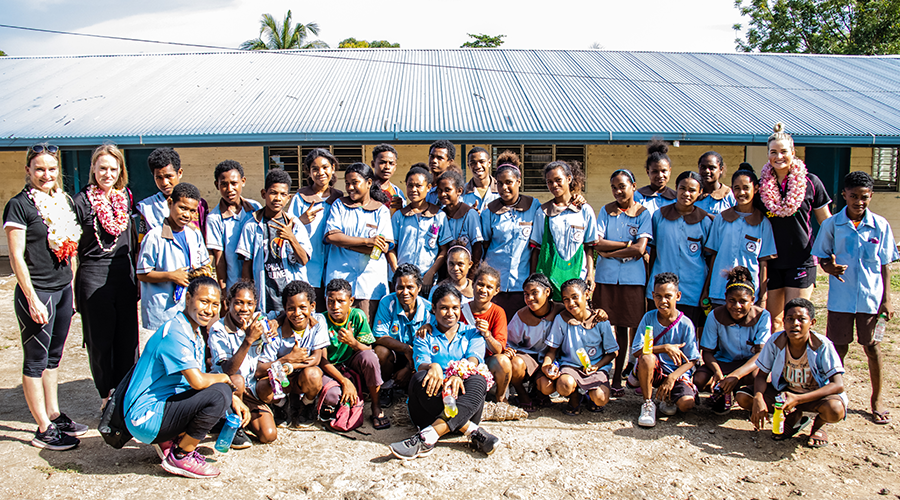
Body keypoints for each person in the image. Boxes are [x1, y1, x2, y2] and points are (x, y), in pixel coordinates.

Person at [123, 276, 251, 479]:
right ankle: (181, 454)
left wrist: (233, 397)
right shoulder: (177, 332)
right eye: (204, 301)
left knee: (223, 394)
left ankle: (170, 439)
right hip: (144, 417)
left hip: (157, 408)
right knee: (219, 395)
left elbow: (198, 379)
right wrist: (226, 382)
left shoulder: (193, 332)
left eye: (215, 304)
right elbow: (198, 382)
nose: (209, 310)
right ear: (188, 298)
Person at [4, 143, 87, 450]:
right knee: (36, 360)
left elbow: (70, 249)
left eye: (52, 169)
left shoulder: (62, 200)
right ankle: (42, 428)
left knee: (54, 357)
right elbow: (16, 257)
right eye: (39, 169)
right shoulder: (19, 206)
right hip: (38, 291)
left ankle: (53, 413)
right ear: (28, 170)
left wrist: (74, 289)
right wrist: (31, 298)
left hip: (63, 289)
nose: (46, 174)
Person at [813, 171, 898, 425]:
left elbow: (884, 265)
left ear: (870, 196)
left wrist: (887, 299)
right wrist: (830, 268)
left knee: (872, 347)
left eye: (863, 197)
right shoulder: (832, 225)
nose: (858, 202)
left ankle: (877, 399)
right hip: (841, 299)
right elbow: (822, 257)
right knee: (838, 349)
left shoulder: (880, 225)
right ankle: (830, 395)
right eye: (853, 197)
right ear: (844, 196)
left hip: (871, 300)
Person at [389, 284, 500, 460]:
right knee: (419, 378)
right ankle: (470, 430)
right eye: (444, 308)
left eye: (455, 308)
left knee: (478, 379)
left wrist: (457, 375)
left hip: (464, 401)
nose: (450, 313)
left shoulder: (472, 333)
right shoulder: (424, 334)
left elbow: (473, 360)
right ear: (433, 308)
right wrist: (432, 367)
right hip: (428, 409)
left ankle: (428, 437)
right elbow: (421, 363)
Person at [73, 144, 139, 408]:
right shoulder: (79, 202)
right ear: (93, 169)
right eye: (102, 168)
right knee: (100, 341)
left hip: (123, 276)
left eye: (113, 168)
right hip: (93, 276)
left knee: (127, 339)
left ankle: (125, 394)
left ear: (120, 170)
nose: (107, 174)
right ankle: (105, 396)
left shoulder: (125, 199)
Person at [742, 298, 846, 448]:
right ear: (784, 322)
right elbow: (761, 375)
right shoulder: (775, 341)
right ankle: (794, 417)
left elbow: (838, 385)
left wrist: (798, 399)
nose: (795, 324)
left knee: (835, 410)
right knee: (744, 397)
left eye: (801, 319)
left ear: (812, 323)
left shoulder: (822, 345)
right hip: (785, 394)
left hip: (813, 395)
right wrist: (758, 398)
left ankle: (818, 425)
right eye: (790, 319)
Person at [761, 123, 832, 333]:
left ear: (793, 152)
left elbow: (826, 222)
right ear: (768, 155)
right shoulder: (761, 186)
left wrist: (832, 252)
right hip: (772, 262)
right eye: (773, 152)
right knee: (774, 323)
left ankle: (799, 365)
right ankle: (777, 365)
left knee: (797, 321)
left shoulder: (811, 182)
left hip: (801, 260)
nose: (779, 156)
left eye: (784, 151)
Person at [593, 169, 652, 397]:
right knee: (606, 326)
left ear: (634, 186)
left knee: (628, 328)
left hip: (632, 280)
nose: (618, 191)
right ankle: (602, 374)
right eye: (614, 187)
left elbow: (640, 249)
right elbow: (597, 242)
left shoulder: (643, 213)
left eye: (623, 186)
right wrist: (625, 244)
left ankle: (621, 374)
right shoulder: (606, 211)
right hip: (606, 278)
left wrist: (611, 252)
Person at [694, 267, 772, 415]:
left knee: (757, 377)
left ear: (753, 300)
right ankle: (724, 392)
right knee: (699, 378)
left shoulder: (763, 317)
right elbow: (707, 353)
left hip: (749, 365)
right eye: (732, 301)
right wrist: (717, 372)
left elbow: (761, 355)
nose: (737, 306)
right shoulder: (715, 315)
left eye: (743, 301)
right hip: (724, 363)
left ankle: (743, 394)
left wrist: (736, 375)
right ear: (725, 298)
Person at [208, 281, 275, 447]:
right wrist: (248, 339)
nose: (244, 308)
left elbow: (278, 318)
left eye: (249, 304)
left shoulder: (259, 322)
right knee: (236, 379)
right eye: (238, 302)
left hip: (250, 390)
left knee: (269, 435)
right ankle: (232, 423)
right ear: (228, 302)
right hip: (227, 389)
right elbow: (228, 369)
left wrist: (275, 325)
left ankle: (245, 416)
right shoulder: (218, 329)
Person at [137, 182, 211, 332]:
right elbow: (142, 273)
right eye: (182, 208)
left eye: (192, 211)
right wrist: (171, 276)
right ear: (170, 203)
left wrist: (202, 271)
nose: (186, 214)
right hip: (163, 311)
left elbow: (203, 262)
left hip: (188, 307)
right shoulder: (154, 237)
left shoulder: (194, 233)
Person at [256, 280, 330, 430]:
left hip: (301, 376)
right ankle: (282, 406)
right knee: (262, 386)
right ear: (284, 309)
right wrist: (286, 359)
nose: (297, 313)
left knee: (314, 375)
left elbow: (316, 359)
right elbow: (259, 370)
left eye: (303, 307)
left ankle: (307, 405)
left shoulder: (319, 321)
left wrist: (290, 365)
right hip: (280, 377)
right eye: (291, 308)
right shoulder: (274, 328)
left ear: (312, 307)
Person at [323, 162, 393, 320]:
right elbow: (331, 236)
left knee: (365, 331)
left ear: (369, 183)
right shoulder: (340, 205)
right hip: (340, 282)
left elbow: (382, 248)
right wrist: (367, 242)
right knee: (338, 330)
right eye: (347, 183)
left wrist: (344, 242)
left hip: (369, 284)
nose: (350, 188)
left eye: (355, 182)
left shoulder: (381, 211)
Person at [236, 168, 312, 315]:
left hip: (292, 301)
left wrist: (291, 237)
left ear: (288, 198)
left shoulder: (295, 224)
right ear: (264, 194)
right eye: (273, 193)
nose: (278, 198)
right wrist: (247, 296)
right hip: (265, 301)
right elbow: (247, 265)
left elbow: (303, 260)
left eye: (283, 194)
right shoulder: (252, 225)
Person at [631, 273, 701, 428]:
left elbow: (692, 359)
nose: (663, 301)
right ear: (653, 296)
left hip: (676, 373)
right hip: (654, 370)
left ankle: (668, 396)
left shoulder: (686, 324)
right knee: (646, 357)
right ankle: (648, 404)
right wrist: (664, 348)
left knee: (686, 405)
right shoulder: (648, 318)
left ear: (678, 296)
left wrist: (672, 378)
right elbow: (636, 351)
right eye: (659, 296)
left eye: (668, 296)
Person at [539, 278, 618, 415]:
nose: (571, 303)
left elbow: (612, 353)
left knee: (600, 398)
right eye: (566, 299)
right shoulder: (562, 319)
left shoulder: (600, 321)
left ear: (587, 295)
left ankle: (591, 397)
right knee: (564, 385)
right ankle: (575, 396)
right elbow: (552, 350)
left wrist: (597, 366)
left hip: (595, 368)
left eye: (575, 297)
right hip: (571, 367)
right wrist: (546, 366)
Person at [647, 171, 712, 329]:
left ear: (700, 192)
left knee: (689, 332)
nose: (686, 194)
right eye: (683, 188)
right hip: (661, 289)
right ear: (676, 188)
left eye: (692, 190)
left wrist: (706, 290)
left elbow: (709, 258)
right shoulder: (659, 216)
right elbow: (652, 251)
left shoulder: (705, 221)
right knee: (657, 332)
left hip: (693, 289)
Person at [704, 167, 777, 307]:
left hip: (749, 293)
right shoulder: (721, 219)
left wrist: (762, 296)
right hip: (720, 290)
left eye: (746, 188)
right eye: (737, 188)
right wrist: (707, 289)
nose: (741, 192)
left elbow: (763, 262)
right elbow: (713, 256)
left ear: (755, 189)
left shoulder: (763, 223)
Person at [319, 279, 386, 429]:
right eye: (331, 301)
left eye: (341, 301)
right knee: (333, 397)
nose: (335, 307)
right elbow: (322, 361)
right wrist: (344, 381)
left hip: (352, 363)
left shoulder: (357, 315)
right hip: (331, 368)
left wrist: (353, 342)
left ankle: (376, 405)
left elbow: (369, 350)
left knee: (370, 358)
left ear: (351, 301)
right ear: (325, 300)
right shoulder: (321, 320)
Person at [479, 162, 542, 320]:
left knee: (518, 325)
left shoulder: (533, 206)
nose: (504, 188)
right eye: (499, 183)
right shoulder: (490, 211)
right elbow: (485, 244)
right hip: (495, 282)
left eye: (509, 182)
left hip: (521, 281)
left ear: (519, 182)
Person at [286, 148, 343, 312]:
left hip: (334, 266)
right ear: (308, 172)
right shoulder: (300, 198)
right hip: (309, 268)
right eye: (315, 169)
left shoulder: (340, 198)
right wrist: (301, 220)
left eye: (325, 167)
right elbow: (287, 232)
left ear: (333, 168)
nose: (321, 172)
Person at [531, 160, 597, 300]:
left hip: (578, 276)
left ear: (569, 178)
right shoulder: (543, 212)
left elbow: (589, 247)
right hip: (549, 279)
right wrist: (534, 279)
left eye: (558, 180)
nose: (554, 185)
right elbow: (537, 249)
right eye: (549, 182)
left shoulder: (584, 210)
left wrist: (590, 274)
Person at [373, 264, 433, 408]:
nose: (404, 292)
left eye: (410, 287)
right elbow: (379, 336)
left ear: (419, 288)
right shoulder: (387, 302)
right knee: (380, 351)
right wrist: (406, 349)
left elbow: (430, 346)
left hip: (417, 358)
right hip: (395, 355)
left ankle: (409, 387)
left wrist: (408, 368)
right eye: (400, 287)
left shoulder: (429, 309)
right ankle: (385, 388)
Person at [506, 273, 564, 411]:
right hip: (528, 358)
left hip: (551, 359)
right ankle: (522, 394)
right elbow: (510, 341)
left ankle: (539, 391)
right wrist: (510, 351)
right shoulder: (521, 316)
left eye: (534, 293)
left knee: (547, 387)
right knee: (515, 363)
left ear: (547, 292)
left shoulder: (560, 311)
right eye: (526, 294)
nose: (530, 298)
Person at [387, 166, 451, 291]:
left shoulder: (438, 215)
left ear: (428, 187)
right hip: (401, 281)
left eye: (418, 186)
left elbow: (444, 249)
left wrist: (431, 273)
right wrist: (396, 271)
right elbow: (391, 248)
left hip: (426, 280)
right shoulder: (399, 216)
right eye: (410, 185)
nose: (413, 190)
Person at [206, 160, 262, 295]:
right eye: (224, 184)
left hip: (259, 281)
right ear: (216, 185)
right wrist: (223, 290)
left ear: (243, 181)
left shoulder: (255, 208)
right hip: (234, 284)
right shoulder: (214, 218)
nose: (229, 189)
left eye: (234, 183)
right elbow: (219, 259)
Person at [462, 264, 511, 402]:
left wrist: (487, 334)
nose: (483, 290)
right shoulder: (460, 310)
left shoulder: (498, 312)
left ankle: (500, 398)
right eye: (480, 284)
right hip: (464, 359)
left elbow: (499, 350)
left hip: (487, 361)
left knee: (503, 361)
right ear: (473, 285)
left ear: (496, 291)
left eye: (489, 287)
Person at [136, 147, 208, 238]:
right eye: (158, 177)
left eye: (169, 176)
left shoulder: (199, 204)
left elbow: (204, 238)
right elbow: (142, 241)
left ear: (180, 173)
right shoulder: (148, 207)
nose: (164, 183)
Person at [437, 170, 483, 258]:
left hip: (467, 267)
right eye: (440, 190)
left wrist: (473, 271)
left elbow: (477, 246)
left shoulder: (470, 214)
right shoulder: (440, 215)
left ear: (459, 191)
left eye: (447, 190)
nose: (443, 194)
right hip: (448, 267)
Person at [634, 140, 676, 215]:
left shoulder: (676, 198)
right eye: (655, 171)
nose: (660, 175)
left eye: (664, 171)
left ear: (670, 171)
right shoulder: (639, 197)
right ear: (648, 172)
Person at [694, 151, 736, 217]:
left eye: (712, 168)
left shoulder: (728, 195)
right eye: (703, 167)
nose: (707, 171)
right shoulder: (693, 193)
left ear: (721, 169)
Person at [461, 147, 499, 212]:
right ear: (468, 164)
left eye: (482, 162)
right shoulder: (461, 192)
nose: (478, 166)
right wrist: (470, 216)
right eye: (473, 162)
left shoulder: (501, 190)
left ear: (489, 163)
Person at [371, 144, 406, 214]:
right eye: (382, 162)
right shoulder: (365, 189)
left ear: (395, 167)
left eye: (391, 163)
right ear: (373, 164)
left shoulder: (397, 192)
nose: (387, 167)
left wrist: (401, 209)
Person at [425, 140, 459, 205]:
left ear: (449, 162)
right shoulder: (422, 185)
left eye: (439, 158)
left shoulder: (453, 189)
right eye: (432, 156)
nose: (434, 160)